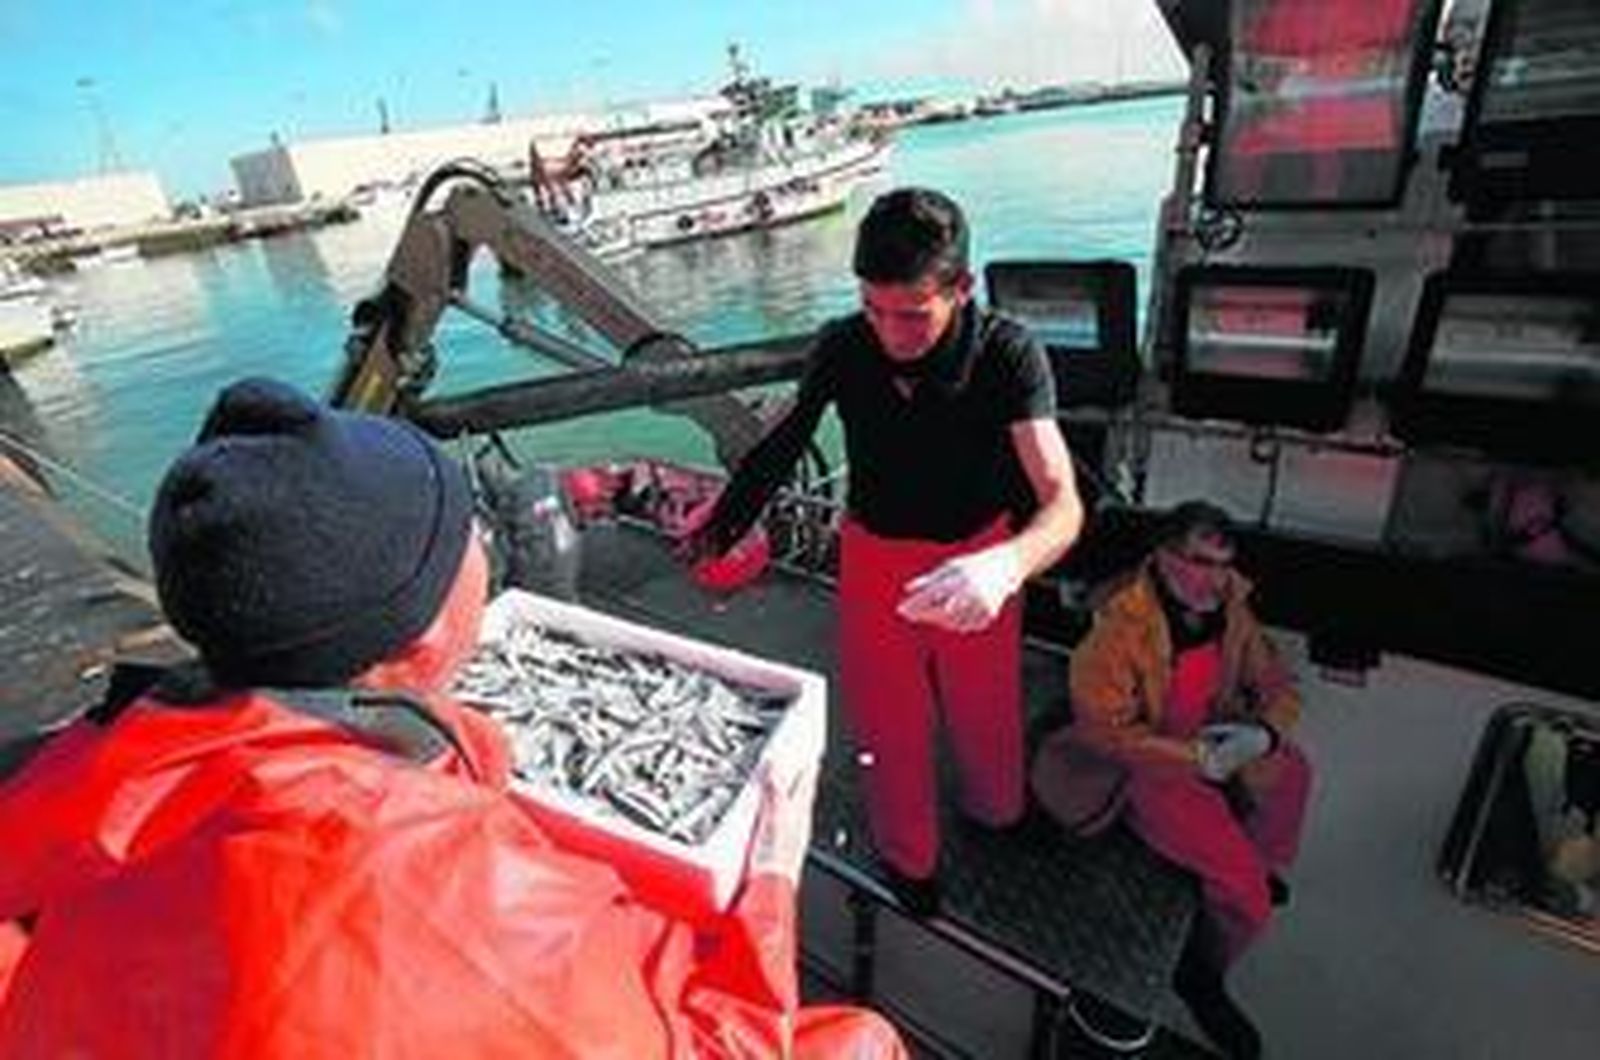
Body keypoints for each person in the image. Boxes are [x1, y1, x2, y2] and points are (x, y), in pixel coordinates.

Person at [0, 378, 905, 1059]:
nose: (484, 546)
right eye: (465, 534)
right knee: (858, 1042)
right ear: (426, 634)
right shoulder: (450, 899)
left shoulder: (93, 781)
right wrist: (772, 881)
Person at [685, 188, 1084, 913]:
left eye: (912, 314)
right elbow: (782, 442)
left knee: (986, 710)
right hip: (875, 559)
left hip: (979, 555)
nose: (889, 333)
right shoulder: (845, 343)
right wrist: (722, 524)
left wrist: (1005, 567)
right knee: (888, 722)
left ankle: (1001, 814)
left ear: (962, 289)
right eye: (873, 309)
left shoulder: (1008, 352)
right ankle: (911, 860)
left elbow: (1063, 502)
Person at [1060, 500, 1311, 1059]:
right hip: (1147, 770)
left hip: (1212, 741)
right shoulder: (1120, 628)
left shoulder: (1232, 608)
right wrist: (1196, 760)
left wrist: (1264, 735)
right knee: (1248, 898)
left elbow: (1278, 682)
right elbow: (1103, 735)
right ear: (1164, 558)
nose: (1215, 578)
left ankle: (1253, 865)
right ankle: (1202, 973)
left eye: (1223, 563)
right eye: (1200, 562)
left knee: (1293, 774)